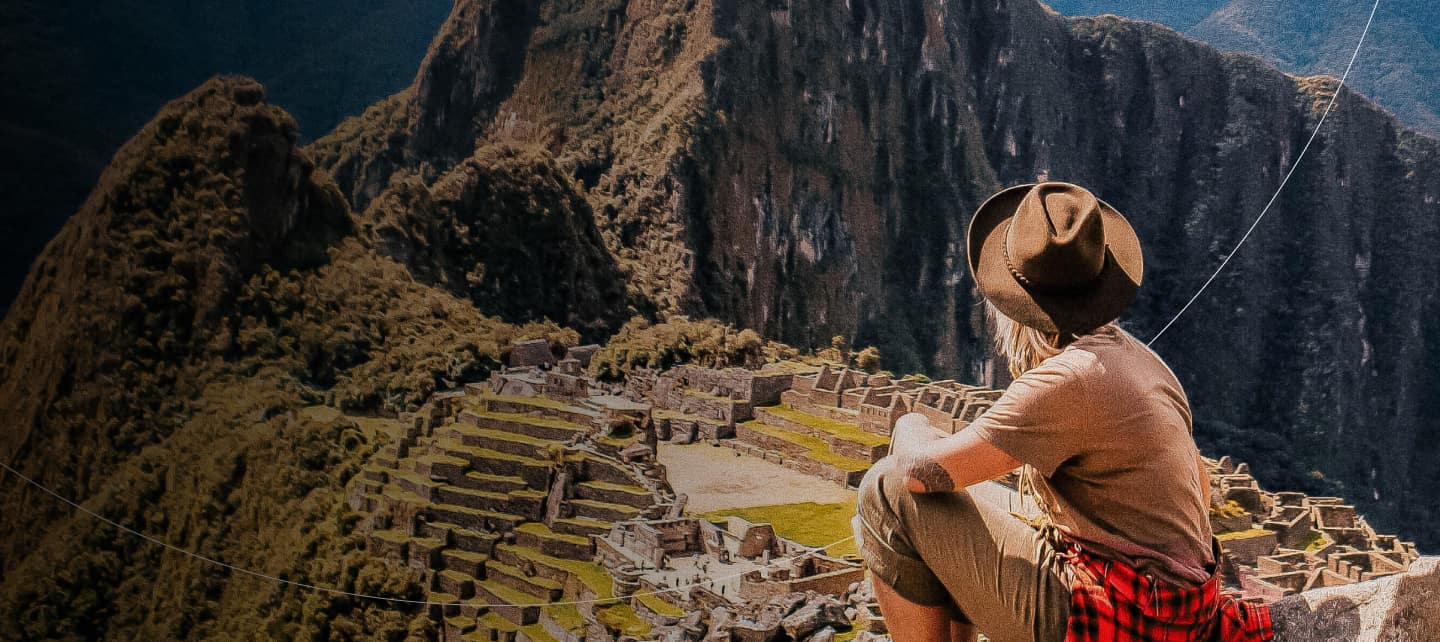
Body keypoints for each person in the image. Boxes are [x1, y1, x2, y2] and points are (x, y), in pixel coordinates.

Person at [851, 182, 1272, 641]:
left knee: (885, 490)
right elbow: (1202, 486)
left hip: (1127, 618)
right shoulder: (1140, 358)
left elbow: (916, 475)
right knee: (958, 502)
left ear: (1014, 305)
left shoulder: (1066, 380)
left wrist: (912, 427)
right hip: (1178, 609)